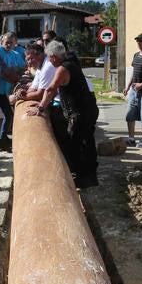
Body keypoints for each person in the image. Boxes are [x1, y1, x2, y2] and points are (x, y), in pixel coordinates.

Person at [28, 39, 99, 189]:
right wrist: (43, 104)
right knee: (86, 142)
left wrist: (40, 108)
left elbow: (51, 89)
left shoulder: (62, 69)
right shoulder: (71, 61)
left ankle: (82, 178)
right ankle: (90, 176)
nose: (49, 60)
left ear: (53, 56)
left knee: (75, 144)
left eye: (49, 57)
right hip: (88, 108)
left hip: (80, 112)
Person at [0, 32, 25, 150]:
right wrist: (12, 75)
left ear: (15, 43)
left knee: (8, 115)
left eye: (11, 42)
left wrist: (16, 70)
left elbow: (22, 67)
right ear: (1, 42)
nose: (8, 44)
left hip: (6, 90)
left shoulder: (15, 53)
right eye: (7, 42)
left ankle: (2, 137)